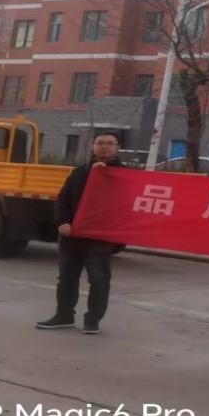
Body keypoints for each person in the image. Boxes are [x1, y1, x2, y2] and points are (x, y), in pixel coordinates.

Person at [35, 132, 124, 335]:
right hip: (72, 235)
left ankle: (92, 320)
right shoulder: (79, 172)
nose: (104, 146)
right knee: (66, 278)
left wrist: (106, 174)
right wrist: (62, 222)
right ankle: (63, 315)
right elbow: (63, 198)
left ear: (118, 147)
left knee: (99, 279)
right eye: (100, 143)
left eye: (110, 143)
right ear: (93, 146)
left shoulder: (126, 176)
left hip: (100, 237)